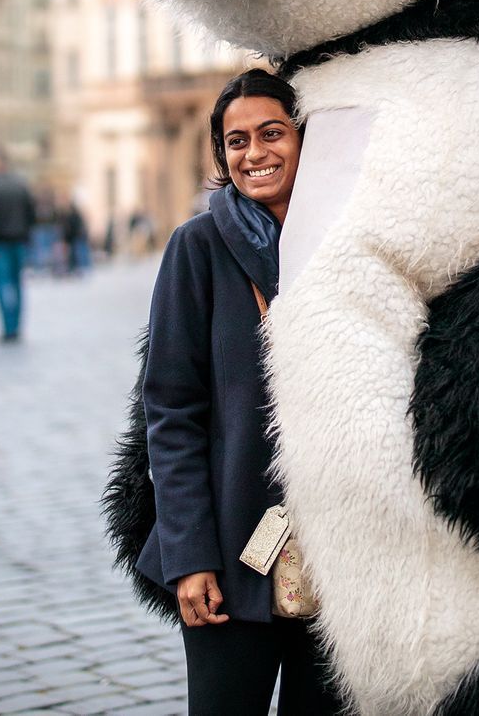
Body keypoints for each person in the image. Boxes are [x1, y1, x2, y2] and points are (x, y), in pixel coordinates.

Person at [139, 71, 340, 714]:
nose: (254, 153)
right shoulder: (196, 248)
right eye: (236, 141)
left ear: (305, 140)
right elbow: (171, 412)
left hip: (344, 556)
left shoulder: (347, 239)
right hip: (230, 556)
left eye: (272, 133)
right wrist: (189, 555)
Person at [0, 149, 36, 343]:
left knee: (2, 285)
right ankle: (16, 326)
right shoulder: (20, 185)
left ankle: (7, 327)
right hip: (18, 241)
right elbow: (31, 213)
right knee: (17, 285)